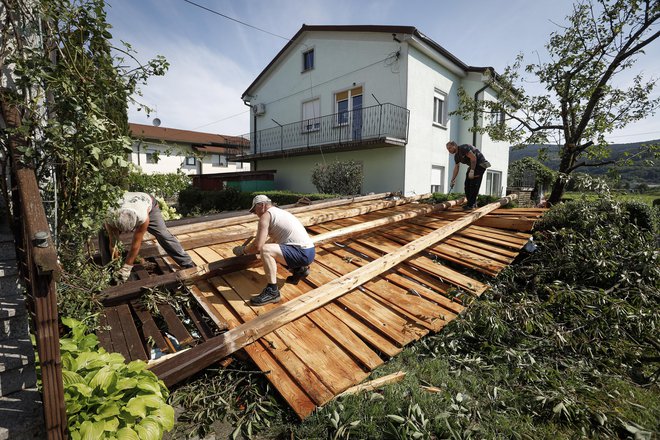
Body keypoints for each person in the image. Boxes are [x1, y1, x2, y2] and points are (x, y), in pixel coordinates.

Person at [232, 195, 315, 306]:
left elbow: (258, 246)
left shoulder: (265, 216)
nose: (254, 213)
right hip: (309, 252)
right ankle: (300, 270)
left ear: (261, 205)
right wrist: (257, 249)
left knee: (266, 250)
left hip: (300, 253)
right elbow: (272, 241)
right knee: (271, 247)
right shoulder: (279, 213)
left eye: (254, 210)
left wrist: (243, 250)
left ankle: (272, 291)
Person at [101, 192, 195, 282]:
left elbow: (136, 244)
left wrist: (127, 267)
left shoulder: (143, 217)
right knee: (104, 235)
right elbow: (114, 244)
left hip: (147, 201)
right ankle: (110, 267)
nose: (127, 233)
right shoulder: (110, 217)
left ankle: (187, 263)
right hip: (125, 203)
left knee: (162, 234)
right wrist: (117, 263)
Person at [446, 141, 491, 210]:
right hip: (472, 166)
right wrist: (453, 179)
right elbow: (456, 167)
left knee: (474, 185)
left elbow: (473, 158)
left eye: (450, 148)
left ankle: (471, 205)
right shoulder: (457, 156)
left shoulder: (464, 148)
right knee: (467, 185)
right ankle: (471, 203)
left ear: (454, 145)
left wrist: (472, 170)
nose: (449, 150)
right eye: (447, 149)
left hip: (480, 165)